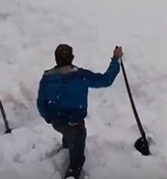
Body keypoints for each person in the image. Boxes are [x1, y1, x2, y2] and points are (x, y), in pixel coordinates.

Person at [37, 44, 123, 179]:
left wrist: (48, 117)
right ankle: (72, 172)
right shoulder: (79, 76)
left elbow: (41, 103)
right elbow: (106, 80)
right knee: (76, 161)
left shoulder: (47, 78)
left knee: (67, 132)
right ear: (72, 57)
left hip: (57, 123)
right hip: (75, 125)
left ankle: (66, 150)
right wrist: (116, 59)